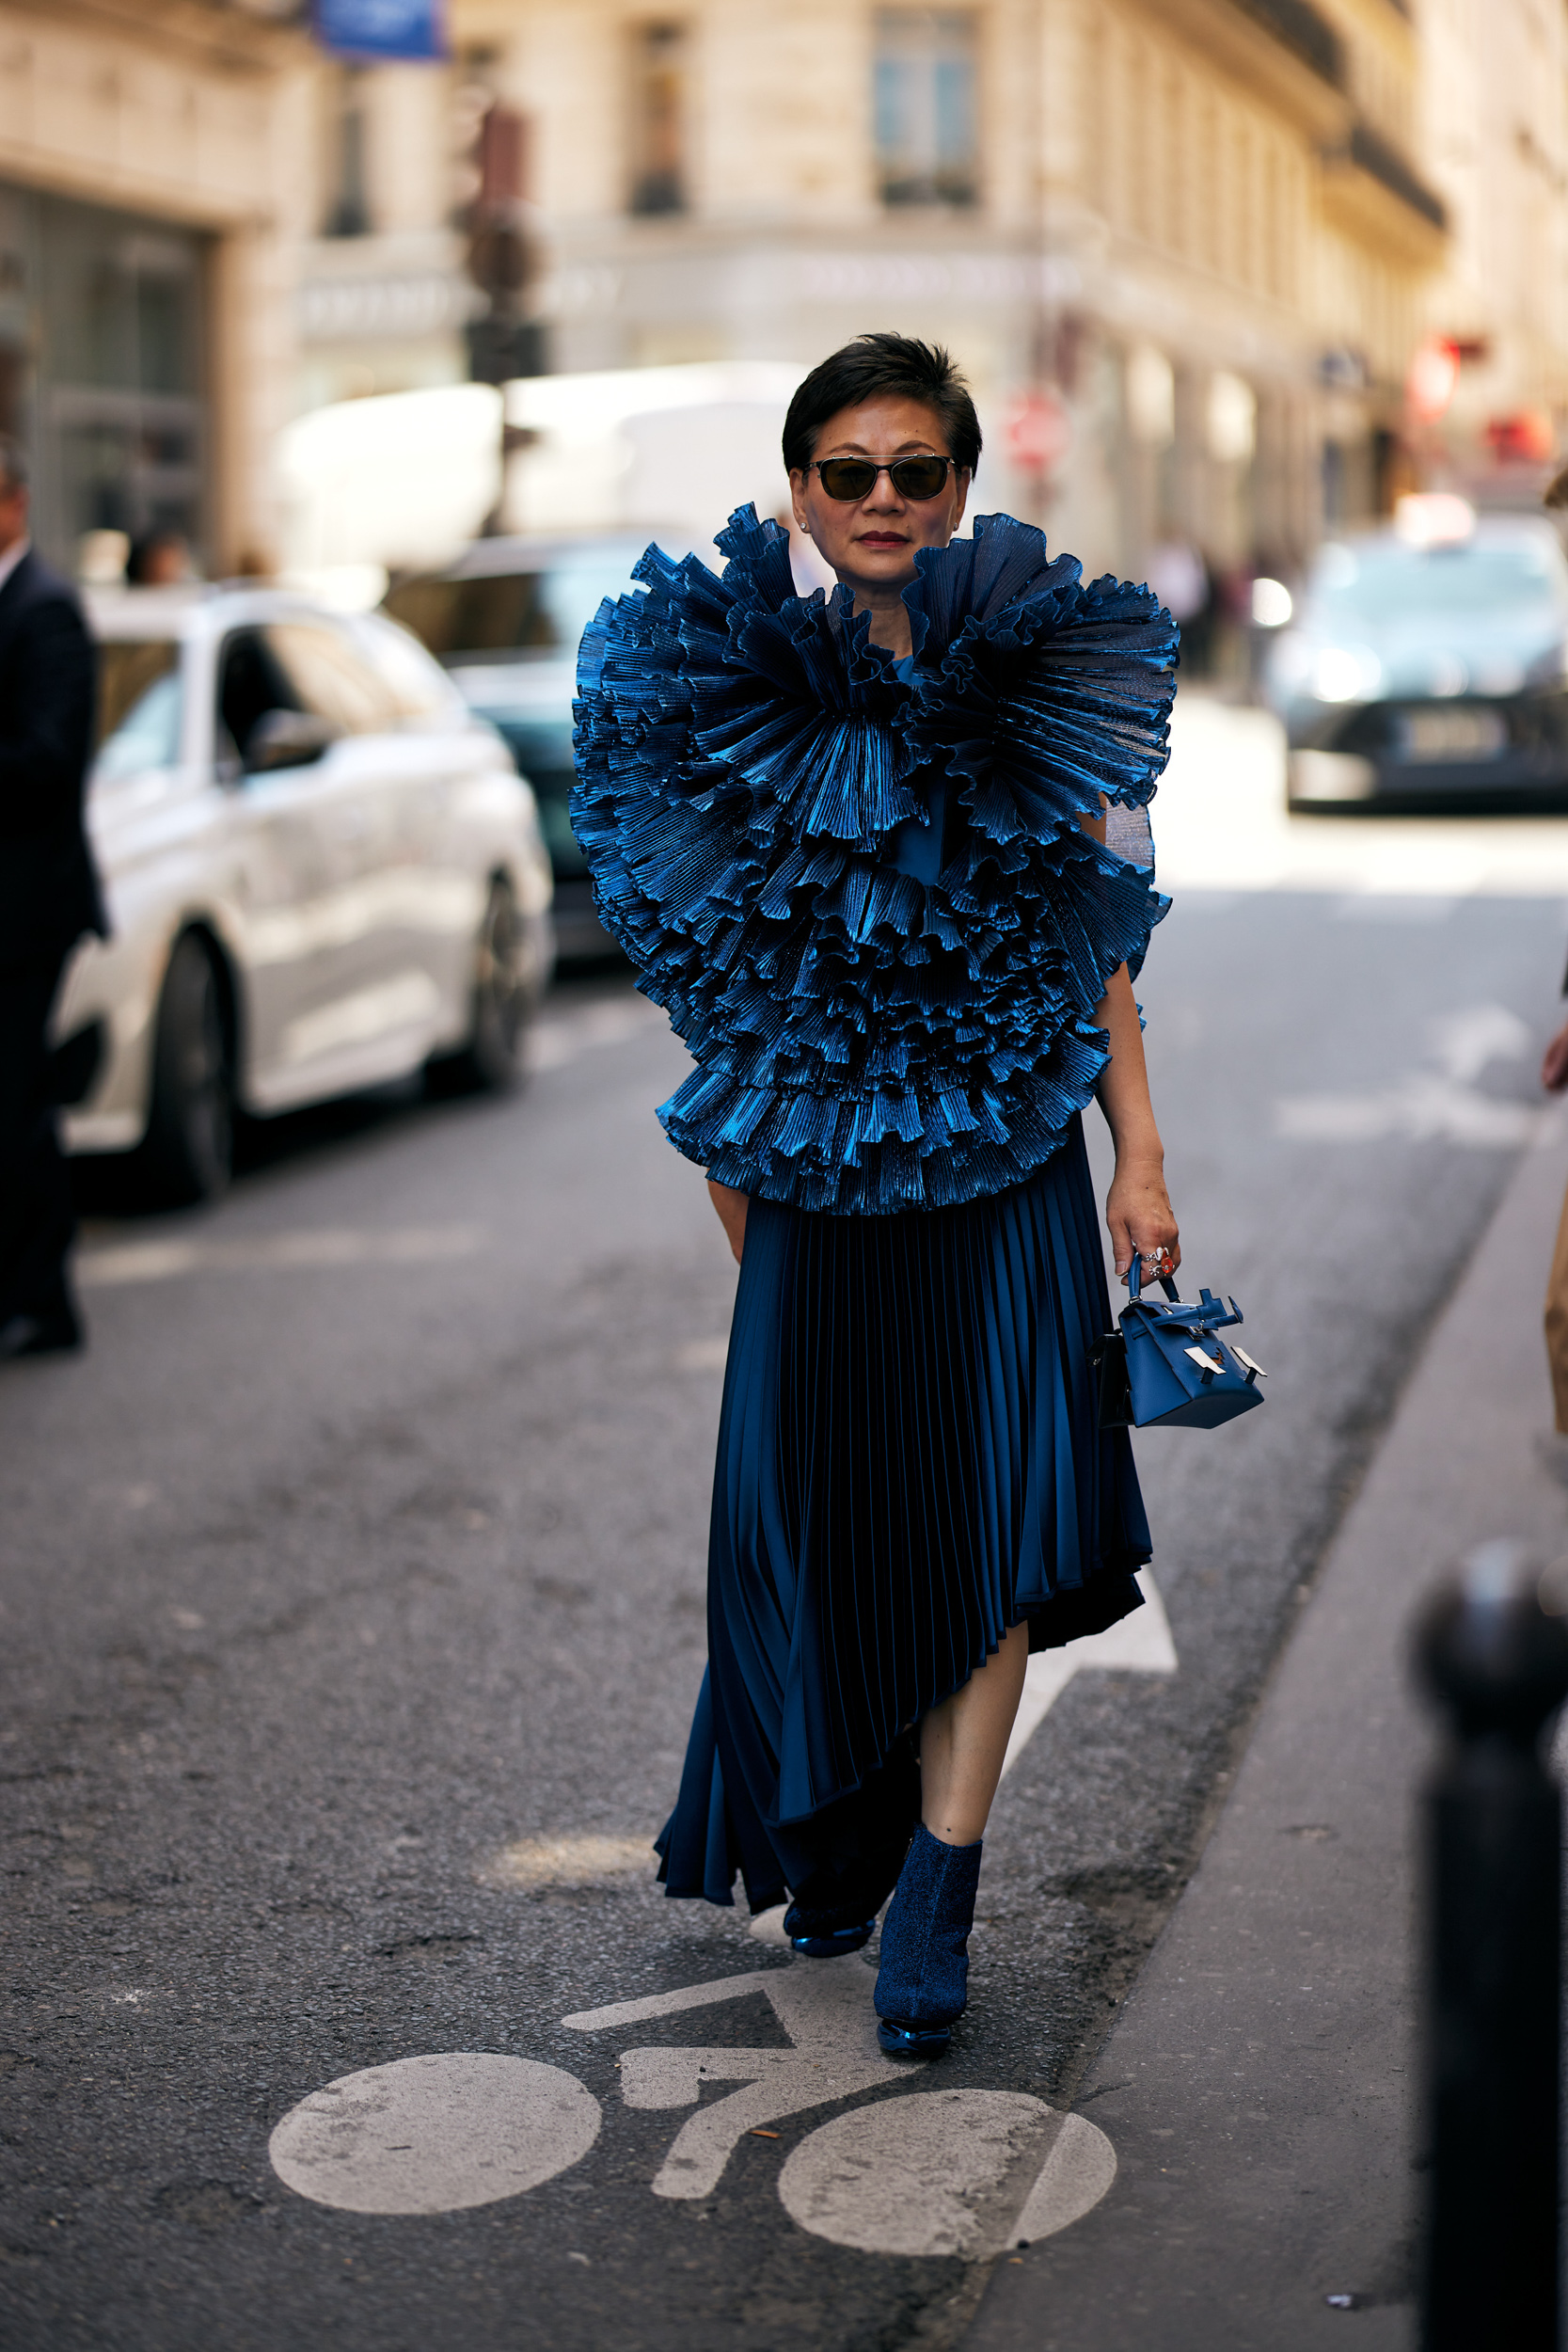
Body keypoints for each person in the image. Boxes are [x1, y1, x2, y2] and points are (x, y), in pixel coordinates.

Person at [573, 334, 1180, 2058]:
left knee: (993, 1516)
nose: (884, 500)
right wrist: (736, 1189)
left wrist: (1138, 1155)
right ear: (799, 490)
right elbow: (705, 980)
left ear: (962, 486)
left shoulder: (1038, 672)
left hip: (1006, 1170)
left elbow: (1094, 949)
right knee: (815, 1515)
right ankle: (833, 1812)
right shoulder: (714, 684)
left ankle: (941, 1885)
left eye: (918, 470)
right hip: (805, 1184)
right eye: (850, 470)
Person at [0, 437, 104, 1358]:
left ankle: (41, 1293)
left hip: (27, 908)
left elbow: (46, 761)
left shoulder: (46, 611)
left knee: (12, 1100)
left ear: (13, 507)